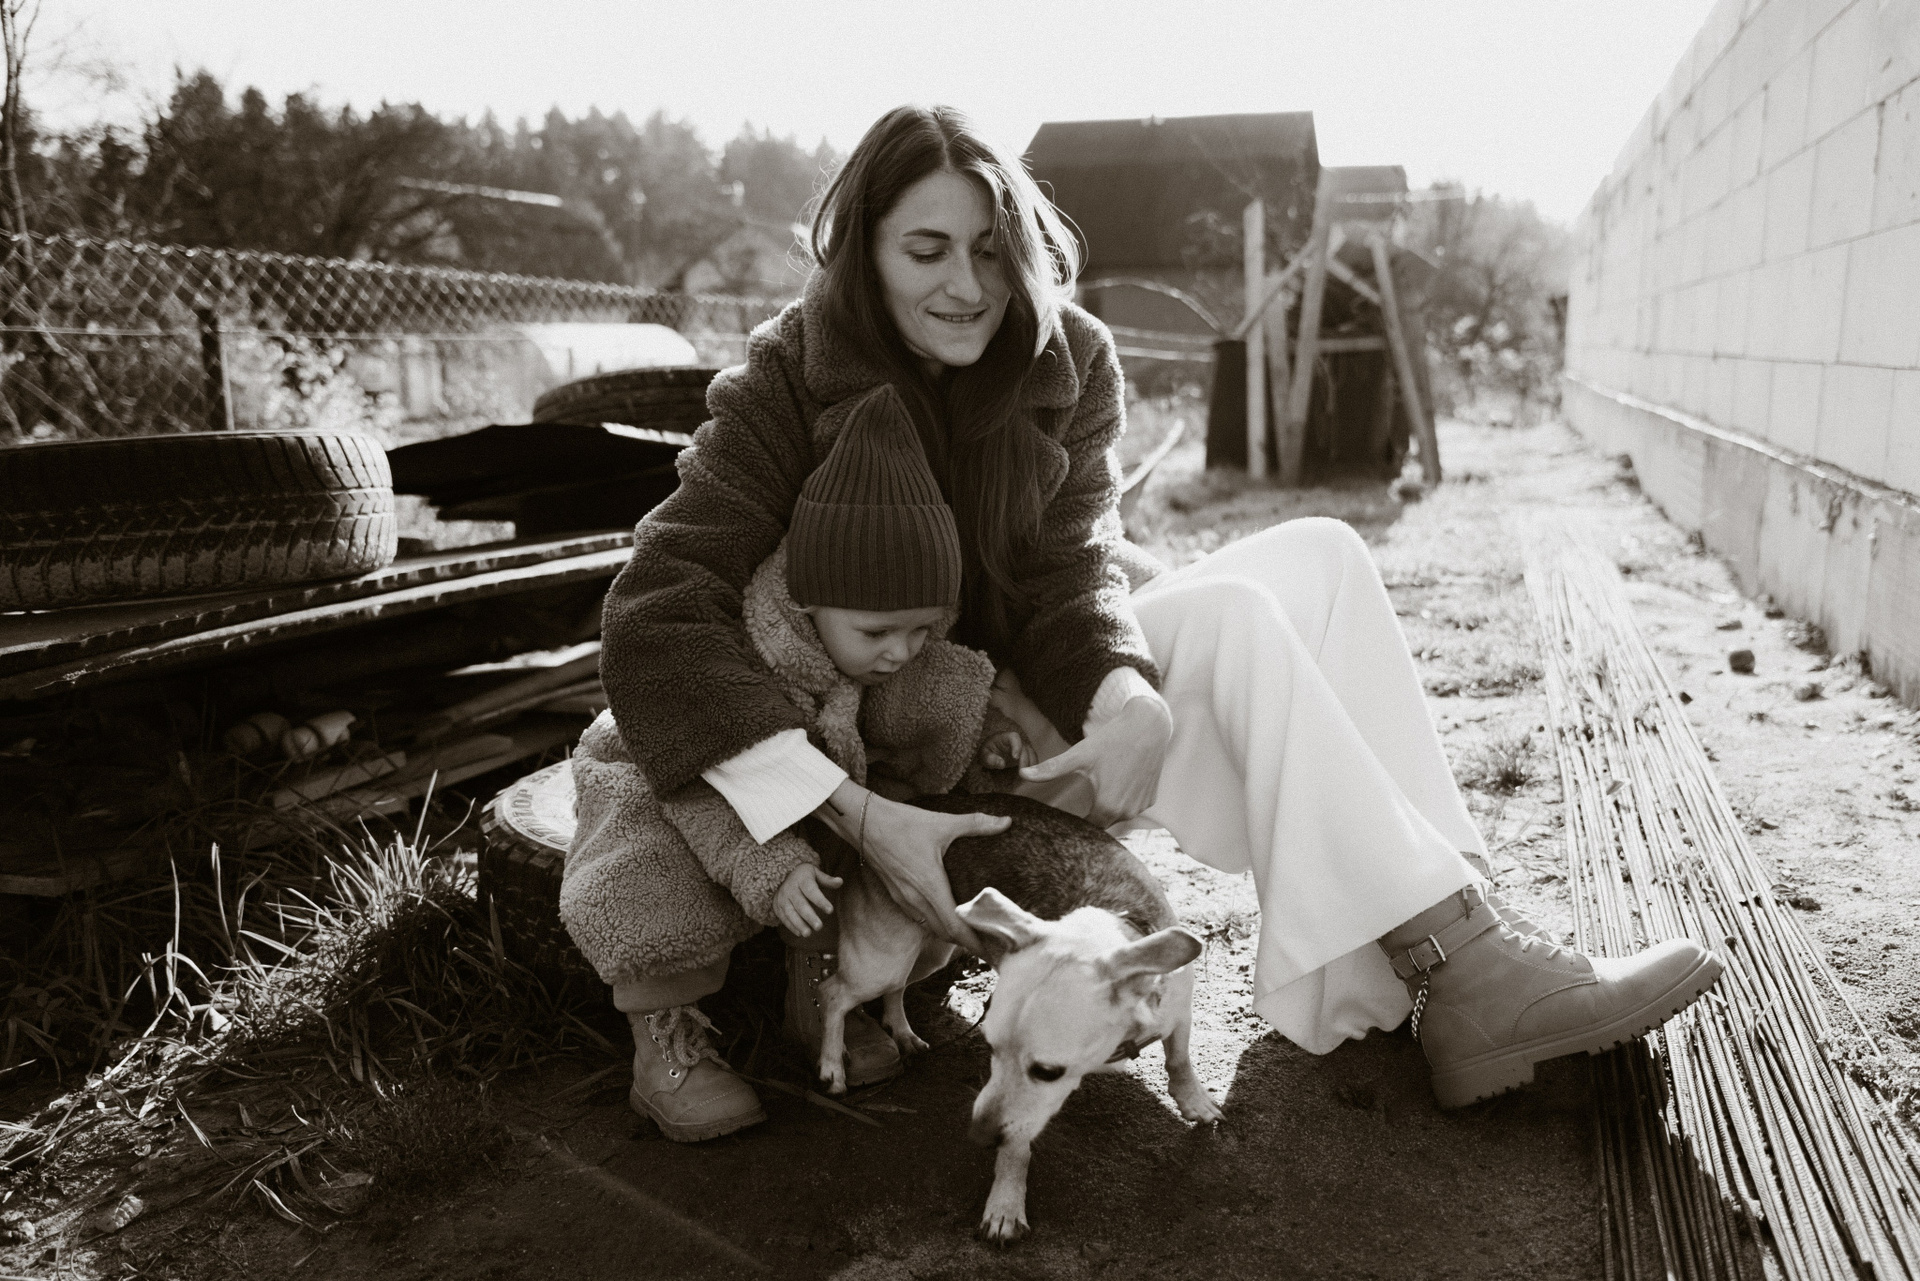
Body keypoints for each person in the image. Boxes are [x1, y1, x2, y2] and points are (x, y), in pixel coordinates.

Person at [592, 103, 1723, 1137]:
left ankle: (1420, 962)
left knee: (1324, 557)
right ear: (863, 255)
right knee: (1231, 614)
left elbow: (1071, 566)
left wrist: (1123, 688)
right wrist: (856, 813)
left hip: (1024, 706)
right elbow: (656, 603)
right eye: (925, 250)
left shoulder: (1067, 358)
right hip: (902, 740)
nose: (967, 286)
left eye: (990, 248)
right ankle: (1452, 965)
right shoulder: (792, 374)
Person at [563, 381, 1034, 1140]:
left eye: (922, 628)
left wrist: (988, 738)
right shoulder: (756, 659)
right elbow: (704, 786)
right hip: (673, 778)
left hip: (801, 797)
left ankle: (820, 982)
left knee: (860, 835)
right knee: (649, 872)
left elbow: (933, 698)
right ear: (811, 601)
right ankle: (664, 1036)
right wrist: (770, 869)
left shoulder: (879, 650)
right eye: (880, 632)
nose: (901, 650)